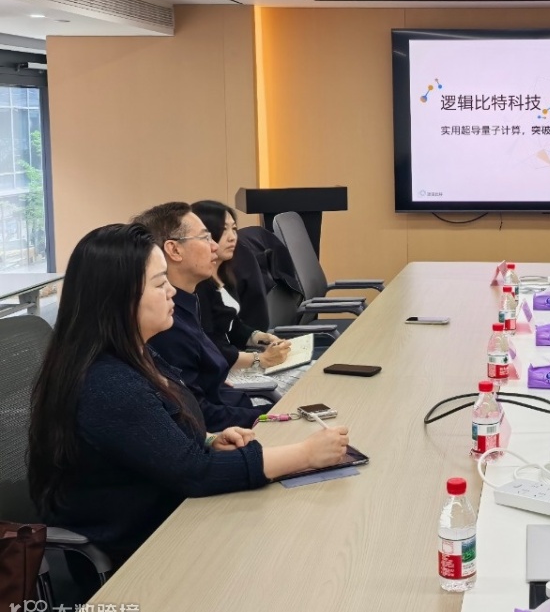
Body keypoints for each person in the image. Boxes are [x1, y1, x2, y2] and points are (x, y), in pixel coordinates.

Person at [26, 224, 350, 566]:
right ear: (119, 299)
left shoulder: (138, 354)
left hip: (177, 516)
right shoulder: (108, 384)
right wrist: (306, 454)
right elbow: (195, 473)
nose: (171, 292)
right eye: (159, 284)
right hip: (138, 554)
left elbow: (161, 434)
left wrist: (208, 439)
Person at [132, 202, 264, 431]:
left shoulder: (190, 301)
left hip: (233, 413)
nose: (214, 246)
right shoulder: (165, 323)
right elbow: (199, 415)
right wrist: (271, 416)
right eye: (205, 238)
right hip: (224, 431)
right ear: (174, 250)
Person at [190, 200, 291, 372]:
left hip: (235, 361)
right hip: (222, 371)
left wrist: (259, 337)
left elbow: (231, 325)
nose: (232, 237)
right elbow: (211, 346)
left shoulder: (224, 273)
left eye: (234, 229)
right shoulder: (198, 286)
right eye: (223, 230)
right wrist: (261, 359)